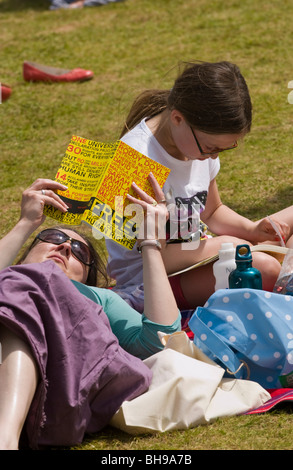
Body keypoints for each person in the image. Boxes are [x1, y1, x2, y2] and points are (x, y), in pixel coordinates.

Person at [0, 176, 180, 450]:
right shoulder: (9, 280)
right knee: (25, 284)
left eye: (79, 252)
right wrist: (26, 222)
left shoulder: (100, 299)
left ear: (86, 279)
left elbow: (160, 340)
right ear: (23, 254)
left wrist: (151, 243)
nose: (63, 247)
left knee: (38, 282)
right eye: (53, 237)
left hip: (58, 393)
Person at [105, 60, 293, 313]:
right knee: (262, 269)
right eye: (211, 148)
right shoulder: (130, 162)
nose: (214, 157)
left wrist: (253, 229)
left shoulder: (194, 146)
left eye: (226, 148)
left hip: (201, 257)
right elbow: (152, 257)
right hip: (149, 282)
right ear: (178, 118)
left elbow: (212, 212)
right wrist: (224, 244)